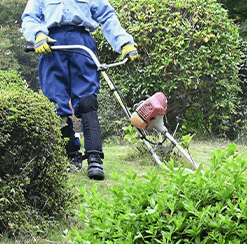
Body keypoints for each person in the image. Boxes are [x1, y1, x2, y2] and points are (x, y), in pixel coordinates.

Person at [22, 0, 138, 180]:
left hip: (82, 43)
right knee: (54, 104)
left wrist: (124, 43)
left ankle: (94, 157)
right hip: (51, 46)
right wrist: (37, 34)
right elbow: (30, 17)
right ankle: (70, 156)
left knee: (87, 100)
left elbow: (107, 16)